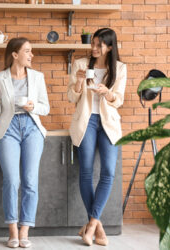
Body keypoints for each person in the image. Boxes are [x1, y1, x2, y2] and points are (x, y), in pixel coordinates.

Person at [0, 37, 50, 248]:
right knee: (12, 180)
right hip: (8, 128)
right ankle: (12, 230)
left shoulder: (38, 77)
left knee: (30, 180)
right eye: (28, 51)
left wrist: (33, 107)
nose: (31, 55)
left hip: (32, 127)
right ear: (15, 54)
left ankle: (24, 231)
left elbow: (45, 108)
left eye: (31, 51)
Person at [67, 28, 127, 246]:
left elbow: (118, 99)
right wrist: (79, 82)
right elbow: (71, 96)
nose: (93, 48)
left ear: (109, 47)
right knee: (86, 172)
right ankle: (98, 226)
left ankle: (91, 224)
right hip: (86, 121)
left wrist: (107, 93)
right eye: (92, 44)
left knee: (109, 172)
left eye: (99, 45)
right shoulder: (80, 65)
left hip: (108, 123)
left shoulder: (119, 68)